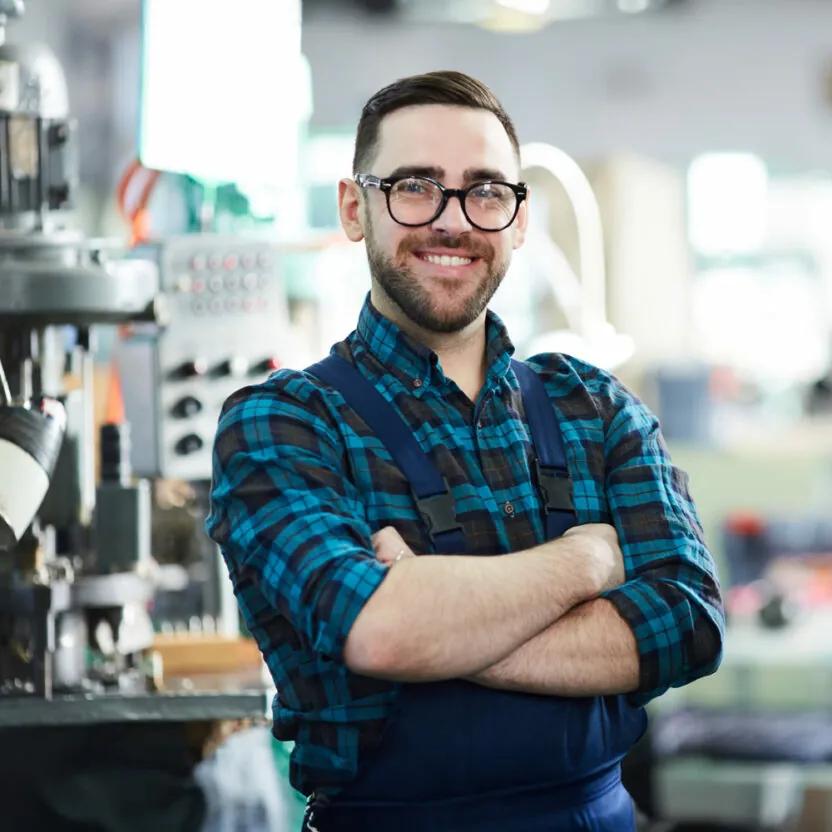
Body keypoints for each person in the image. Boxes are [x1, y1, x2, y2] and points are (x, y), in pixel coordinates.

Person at [206, 70, 725, 832]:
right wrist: (585, 565)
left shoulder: (597, 407)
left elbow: (686, 622)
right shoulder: (281, 424)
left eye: (485, 190)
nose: (453, 221)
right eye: (416, 186)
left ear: (517, 219)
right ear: (356, 208)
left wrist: (438, 621)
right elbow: (377, 628)